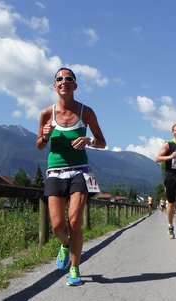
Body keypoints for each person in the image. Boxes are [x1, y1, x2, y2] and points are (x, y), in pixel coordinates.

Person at [37, 67, 106, 286]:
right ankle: (65, 245)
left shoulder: (87, 112)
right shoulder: (47, 113)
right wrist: (44, 137)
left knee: (75, 220)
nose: (64, 81)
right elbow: (39, 146)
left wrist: (88, 141)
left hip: (80, 171)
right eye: (59, 79)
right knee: (58, 226)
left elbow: (102, 142)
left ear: (75, 85)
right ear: (54, 85)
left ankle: (74, 269)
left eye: (69, 79)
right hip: (55, 172)